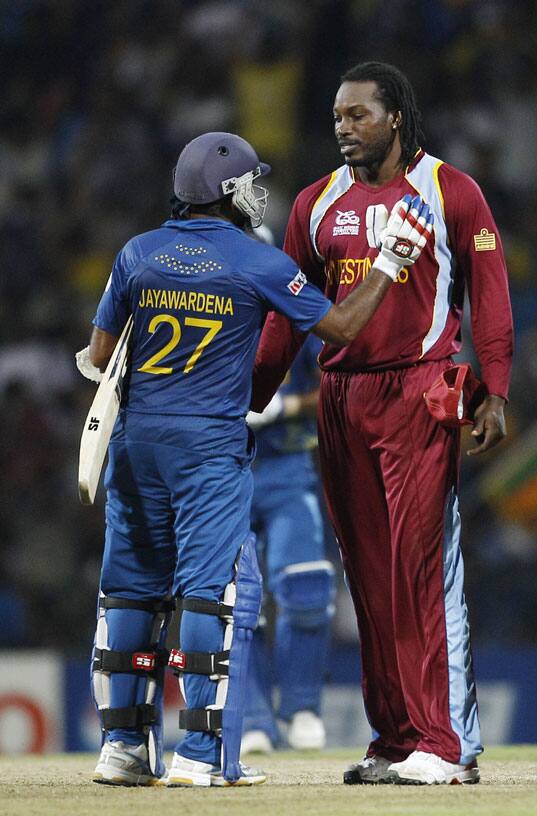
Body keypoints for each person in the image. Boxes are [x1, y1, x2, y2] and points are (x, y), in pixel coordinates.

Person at [80, 129, 434, 787]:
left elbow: (100, 358)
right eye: (252, 181)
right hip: (209, 452)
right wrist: (388, 261)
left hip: (136, 446)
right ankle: (200, 756)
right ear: (233, 190)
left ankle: (123, 750)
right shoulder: (258, 261)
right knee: (207, 593)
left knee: (128, 592)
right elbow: (343, 329)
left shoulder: (136, 253)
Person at [250, 62, 513, 786]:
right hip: (340, 399)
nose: (343, 126)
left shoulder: (450, 191)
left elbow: (489, 293)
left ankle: (446, 744)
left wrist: (497, 387)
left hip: (420, 391)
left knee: (419, 571)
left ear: (395, 116)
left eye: (358, 114)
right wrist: (250, 399)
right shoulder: (314, 203)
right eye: (337, 115)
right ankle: (396, 737)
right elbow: (283, 322)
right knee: (366, 578)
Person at [242, 333, 333, 754]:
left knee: (305, 585)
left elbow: (333, 383)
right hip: (223, 464)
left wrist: (286, 405)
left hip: (287, 465)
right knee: (236, 599)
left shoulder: (295, 308)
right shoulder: (210, 302)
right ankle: (250, 718)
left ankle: (301, 709)